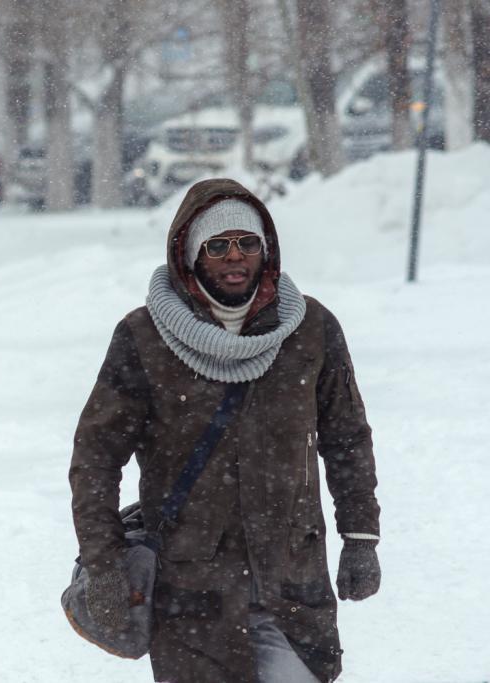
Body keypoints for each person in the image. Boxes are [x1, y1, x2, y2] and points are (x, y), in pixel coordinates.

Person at [69, 179, 380, 683]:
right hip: (191, 588)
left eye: (247, 243)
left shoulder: (310, 330)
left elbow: (347, 438)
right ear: (191, 256)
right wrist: (103, 564)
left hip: (291, 581)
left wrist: (361, 536)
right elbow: (95, 458)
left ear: (266, 249)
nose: (235, 256)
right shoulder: (144, 338)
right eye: (217, 245)